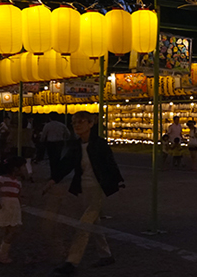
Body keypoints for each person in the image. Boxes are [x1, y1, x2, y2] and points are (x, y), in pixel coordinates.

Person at [44, 112, 124, 274]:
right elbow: (66, 164)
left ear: (90, 124)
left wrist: (117, 181)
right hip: (83, 188)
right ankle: (106, 254)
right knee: (93, 223)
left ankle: (72, 261)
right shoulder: (76, 145)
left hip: (98, 188)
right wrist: (53, 180)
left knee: (84, 224)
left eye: (81, 122)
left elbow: (110, 163)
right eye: (74, 123)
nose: (77, 125)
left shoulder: (100, 144)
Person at [0, 156, 26, 264]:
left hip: (13, 208)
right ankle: (2, 254)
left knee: (9, 230)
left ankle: (3, 252)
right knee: (12, 231)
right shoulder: (2, 179)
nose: (25, 168)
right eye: (23, 166)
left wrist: (21, 204)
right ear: (15, 169)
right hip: (5, 206)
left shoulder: (18, 182)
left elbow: (18, 195)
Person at [41, 113, 71, 177]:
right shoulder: (62, 125)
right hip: (59, 142)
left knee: (52, 159)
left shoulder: (47, 125)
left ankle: (53, 174)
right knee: (58, 158)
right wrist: (64, 138)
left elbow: (43, 135)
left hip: (51, 143)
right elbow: (68, 134)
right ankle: (57, 173)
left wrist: (42, 141)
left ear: (50, 118)